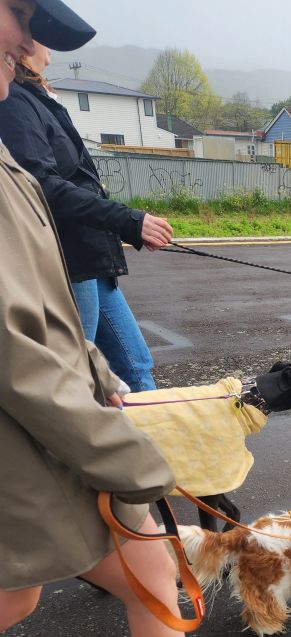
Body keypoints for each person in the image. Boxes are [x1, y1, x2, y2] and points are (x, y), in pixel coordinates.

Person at [0, 0, 263, 637]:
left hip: (51, 429)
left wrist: (101, 377)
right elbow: (20, 351)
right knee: (117, 570)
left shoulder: (16, 124)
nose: (31, 43)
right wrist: (135, 461)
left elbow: (44, 320)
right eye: (20, 18)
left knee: (44, 588)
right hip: (33, 444)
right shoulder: (14, 121)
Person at [0, 35, 173, 391]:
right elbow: (42, 186)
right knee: (76, 378)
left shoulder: (39, 100)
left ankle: (157, 445)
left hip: (92, 261)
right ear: (24, 43)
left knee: (135, 367)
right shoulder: (14, 103)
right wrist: (128, 220)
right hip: (68, 263)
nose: (52, 45)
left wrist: (127, 223)